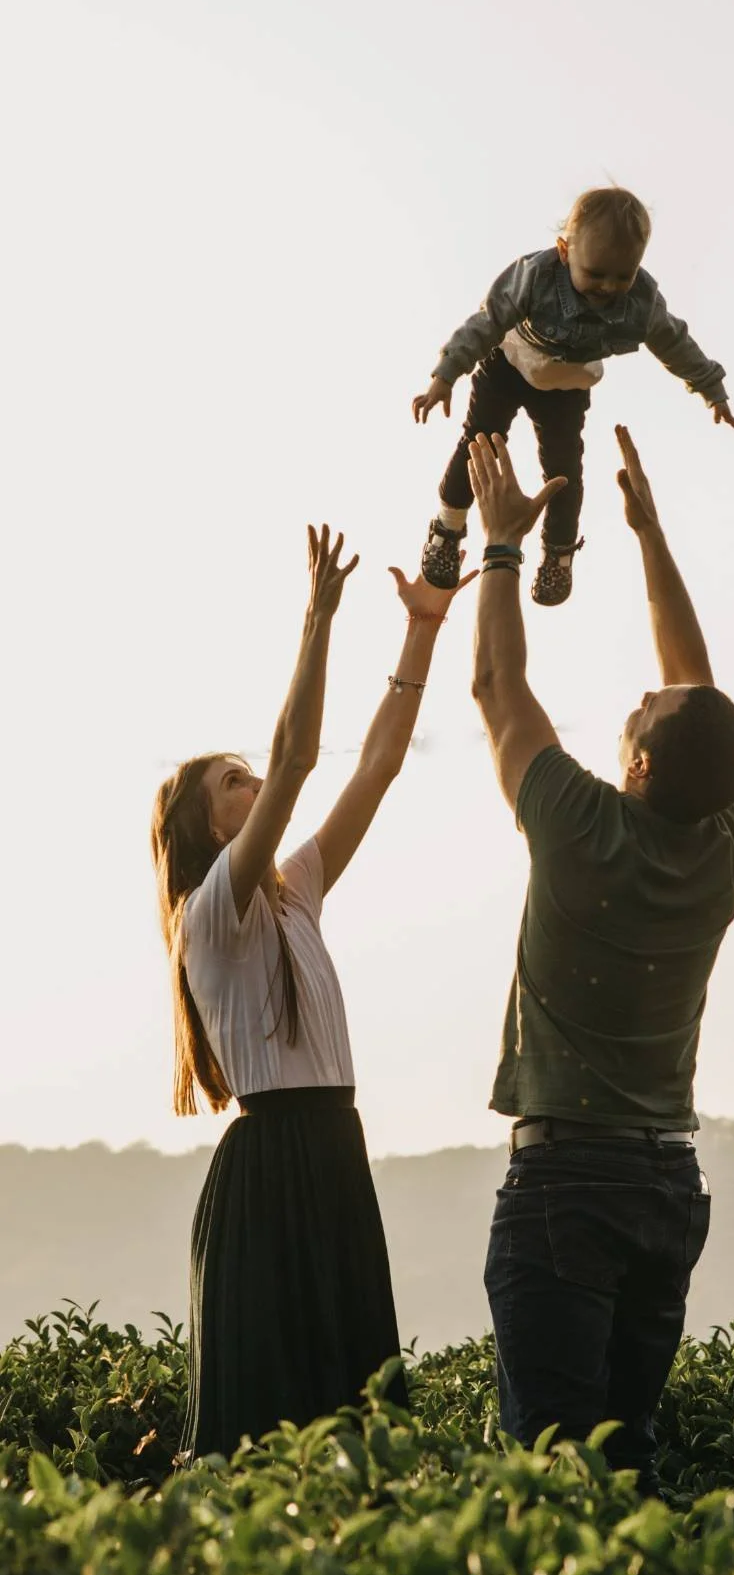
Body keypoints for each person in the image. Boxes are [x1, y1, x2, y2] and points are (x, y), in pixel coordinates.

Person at [466, 423, 734, 1496]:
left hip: (570, 1183)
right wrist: (648, 535)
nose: (640, 693)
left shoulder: (582, 828)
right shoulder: (719, 835)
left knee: (549, 1477)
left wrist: (500, 547)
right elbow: (700, 693)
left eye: (640, 712)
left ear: (635, 762)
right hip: (666, 1183)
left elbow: (498, 689)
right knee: (628, 1468)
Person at [150, 526, 475, 1459]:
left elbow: (374, 767)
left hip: (334, 1150)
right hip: (272, 1171)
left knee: (358, 1420)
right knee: (267, 1432)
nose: (256, 784)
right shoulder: (211, 910)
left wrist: (423, 629)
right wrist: (317, 620)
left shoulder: (296, 890)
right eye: (233, 781)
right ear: (204, 824)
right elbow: (298, 760)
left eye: (248, 775)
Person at [411, 185, 734, 608]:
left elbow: (676, 343)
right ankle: (448, 525)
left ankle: (559, 551)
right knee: (480, 441)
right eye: (596, 274)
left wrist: (712, 392)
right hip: (509, 362)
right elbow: (488, 321)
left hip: (566, 384)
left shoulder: (642, 304)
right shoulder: (535, 275)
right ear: (565, 251)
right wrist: (446, 374)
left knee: (564, 469)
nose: (608, 287)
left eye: (622, 276)